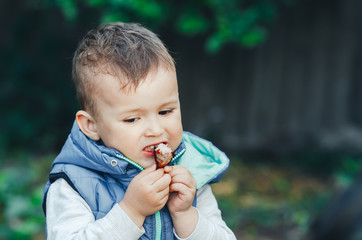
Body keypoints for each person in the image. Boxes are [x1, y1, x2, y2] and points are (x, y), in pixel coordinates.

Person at [42, 22, 236, 240]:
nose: (155, 130)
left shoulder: (191, 170)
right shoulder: (74, 185)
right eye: (132, 118)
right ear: (91, 126)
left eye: (165, 111)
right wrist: (131, 212)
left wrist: (186, 215)